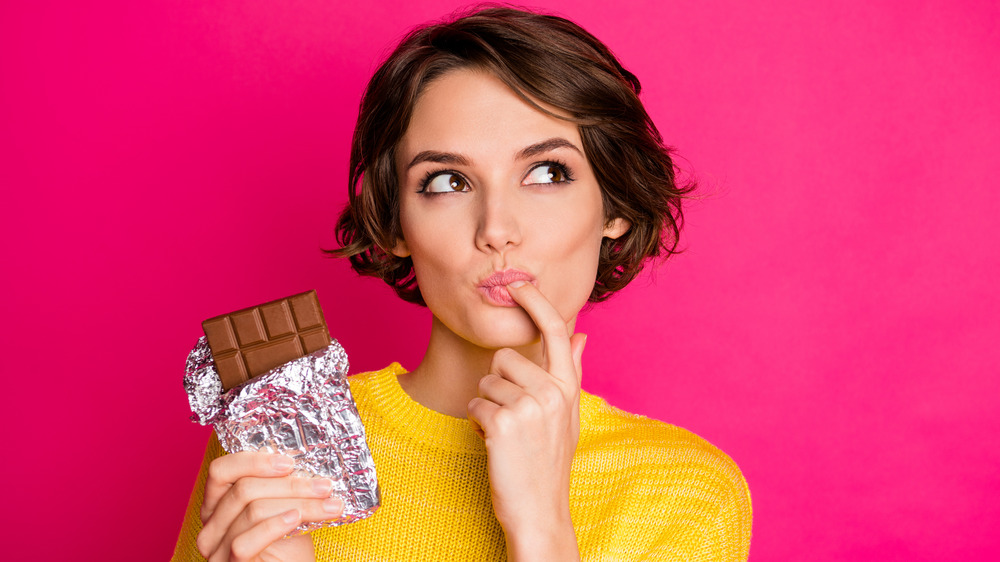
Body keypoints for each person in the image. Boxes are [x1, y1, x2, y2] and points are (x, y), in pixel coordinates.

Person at [174, 6, 752, 561]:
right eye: (448, 181)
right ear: (396, 221)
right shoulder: (271, 449)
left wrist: (541, 524)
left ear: (613, 208)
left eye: (547, 173)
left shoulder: (686, 492)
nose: (496, 230)